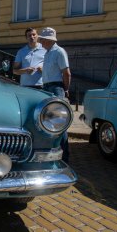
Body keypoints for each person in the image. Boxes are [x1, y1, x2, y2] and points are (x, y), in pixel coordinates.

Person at [38, 27, 71, 163]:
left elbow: (66, 73)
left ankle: (64, 156)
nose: (40, 41)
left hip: (56, 87)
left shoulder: (59, 51)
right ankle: (54, 151)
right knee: (49, 121)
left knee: (59, 122)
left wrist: (66, 89)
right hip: (47, 87)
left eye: (42, 39)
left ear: (47, 40)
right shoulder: (48, 53)